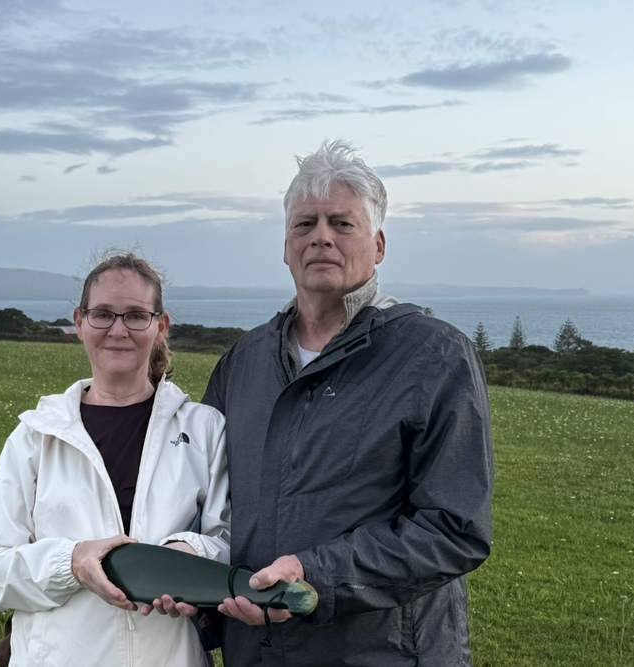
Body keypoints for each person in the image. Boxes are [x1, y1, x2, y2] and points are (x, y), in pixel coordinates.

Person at [202, 140, 494, 666]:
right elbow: (208, 503)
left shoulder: (433, 356)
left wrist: (315, 575)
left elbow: (454, 529)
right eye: (304, 225)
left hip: (384, 653)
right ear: (285, 247)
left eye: (342, 224)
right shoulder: (243, 362)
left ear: (378, 245)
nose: (321, 238)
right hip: (256, 653)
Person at [0, 252, 230, 667]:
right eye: (103, 314)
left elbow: (233, 543)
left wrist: (190, 553)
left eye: (136, 316)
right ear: (80, 322)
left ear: (161, 326)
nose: (118, 330)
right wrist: (72, 563)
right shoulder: (36, 436)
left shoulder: (204, 429)